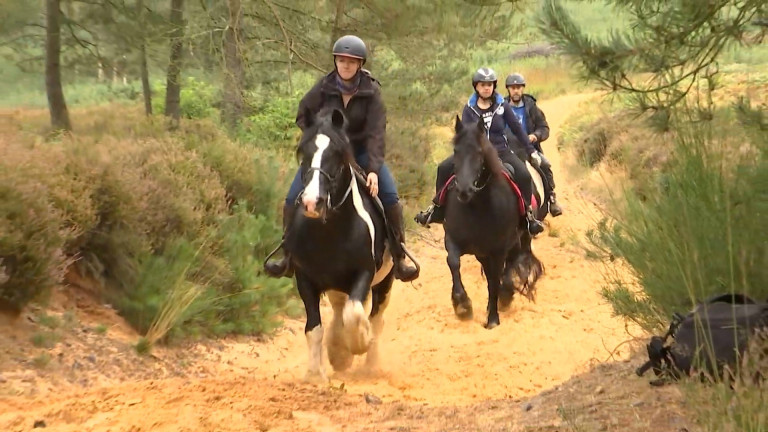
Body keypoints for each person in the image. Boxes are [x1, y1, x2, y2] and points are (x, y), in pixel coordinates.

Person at [264, 35, 419, 282]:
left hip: (361, 151)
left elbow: (377, 133)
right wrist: (318, 138)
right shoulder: (323, 87)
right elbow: (303, 113)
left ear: (360, 64)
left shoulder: (372, 92)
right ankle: (288, 255)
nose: (345, 65)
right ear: (335, 61)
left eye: (351, 61)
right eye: (341, 60)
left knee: (389, 196)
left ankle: (399, 256)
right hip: (328, 153)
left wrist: (374, 170)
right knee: (293, 197)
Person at [414, 67, 545, 235]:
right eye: (483, 84)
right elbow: (466, 135)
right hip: (474, 153)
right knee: (443, 168)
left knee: (524, 175)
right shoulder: (469, 109)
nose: (486, 88)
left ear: (494, 86)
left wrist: (531, 151)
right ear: (476, 86)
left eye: (490, 84)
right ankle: (437, 209)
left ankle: (528, 217)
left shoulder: (502, 106)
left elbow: (518, 129)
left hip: (501, 151)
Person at [504, 73, 562, 216]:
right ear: (508, 90)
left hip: (529, 149)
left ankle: (551, 197)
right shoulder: (501, 107)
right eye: (513, 88)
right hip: (507, 150)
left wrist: (535, 136)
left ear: (523, 88)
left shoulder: (531, 106)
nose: (516, 90)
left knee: (545, 165)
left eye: (518, 87)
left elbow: (544, 128)